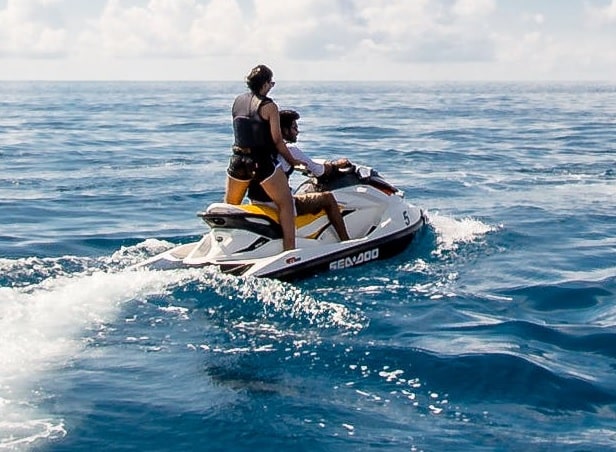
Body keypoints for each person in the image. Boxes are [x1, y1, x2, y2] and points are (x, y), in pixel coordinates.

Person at [225, 64, 305, 251]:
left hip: (237, 160)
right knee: (285, 202)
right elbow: (277, 140)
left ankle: (226, 246)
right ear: (266, 84)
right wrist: (293, 161)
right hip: (260, 162)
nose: (271, 86)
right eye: (271, 83)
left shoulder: (237, 101)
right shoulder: (269, 106)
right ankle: (290, 251)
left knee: (230, 206)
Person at [247, 109, 351, 242]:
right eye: (294, 127)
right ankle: (346, 241)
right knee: (328, 198)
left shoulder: (262, 151)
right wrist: (336, 165)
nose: (297, 131)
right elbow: (319, 171)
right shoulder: (291, 152)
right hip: (279, 204)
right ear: (284, 130)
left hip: (258, 201)